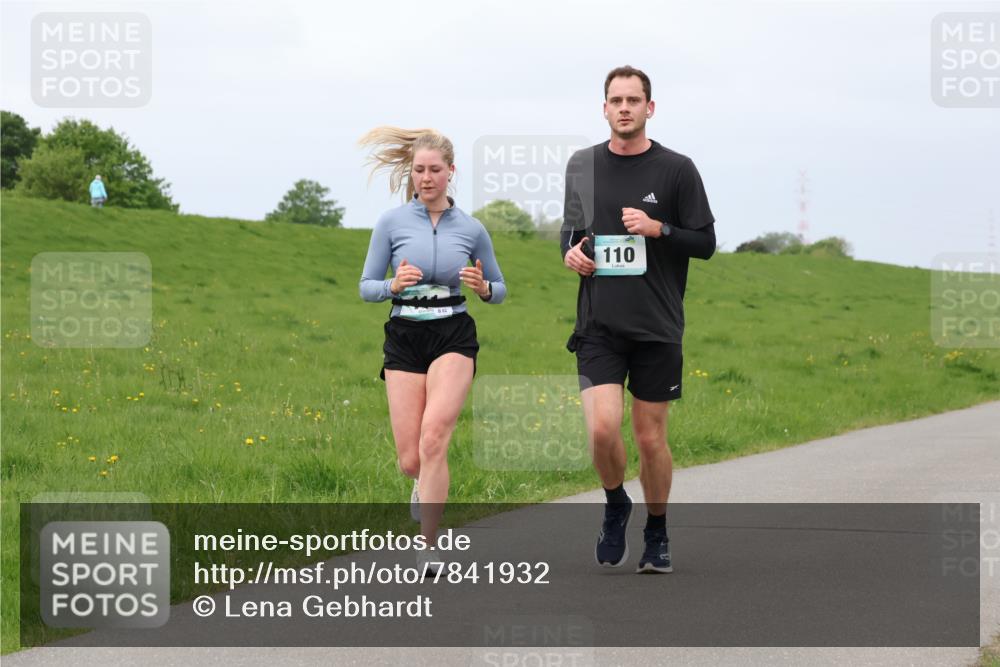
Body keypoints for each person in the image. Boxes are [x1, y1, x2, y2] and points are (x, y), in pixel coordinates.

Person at [561, 66, 716, 573]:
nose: (624, 108)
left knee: (650, 439)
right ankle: (614, 504)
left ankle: (657, 530)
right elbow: (571, 234)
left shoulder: (677, 169)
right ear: (603, 108)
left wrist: (659, 228)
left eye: (633, 100)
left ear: (650, 108)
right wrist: (573, 255)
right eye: (615, 100)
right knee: (603, 429)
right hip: (599, 325)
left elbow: (706, 243)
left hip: (656, 326)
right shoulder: (581, 165)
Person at [358, 127, 507, 574]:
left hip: (453, 335)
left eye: (435, 170)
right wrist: (391, 284)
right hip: (405, 334)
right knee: (411, 459)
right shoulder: (391, 223)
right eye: (419, 170)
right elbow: (366, 287)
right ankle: (421, 484)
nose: (426, 178)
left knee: (434, 437)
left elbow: (499, 288)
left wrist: (484, 288)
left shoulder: (472, 228)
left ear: (450, 172)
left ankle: (429, 545)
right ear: (413, 173)